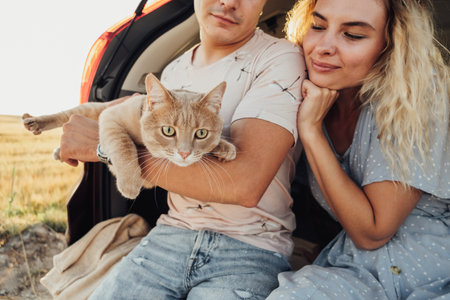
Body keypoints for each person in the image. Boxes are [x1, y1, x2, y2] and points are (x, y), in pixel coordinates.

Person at [59, 0, 307, 299]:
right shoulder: (173, 70)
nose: (229, 2)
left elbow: (246, 186)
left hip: (252, 246)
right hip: (171, 232)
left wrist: (106, 149)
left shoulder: (281, 57)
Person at [266, 0, 449, 299]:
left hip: (433, 272)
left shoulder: (417, 95)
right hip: (355, 269)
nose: (324, 46)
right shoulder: (309, 98)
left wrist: (311, 132)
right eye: (318, 26)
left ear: (390, 46)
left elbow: (373, 231)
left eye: (352, 35)